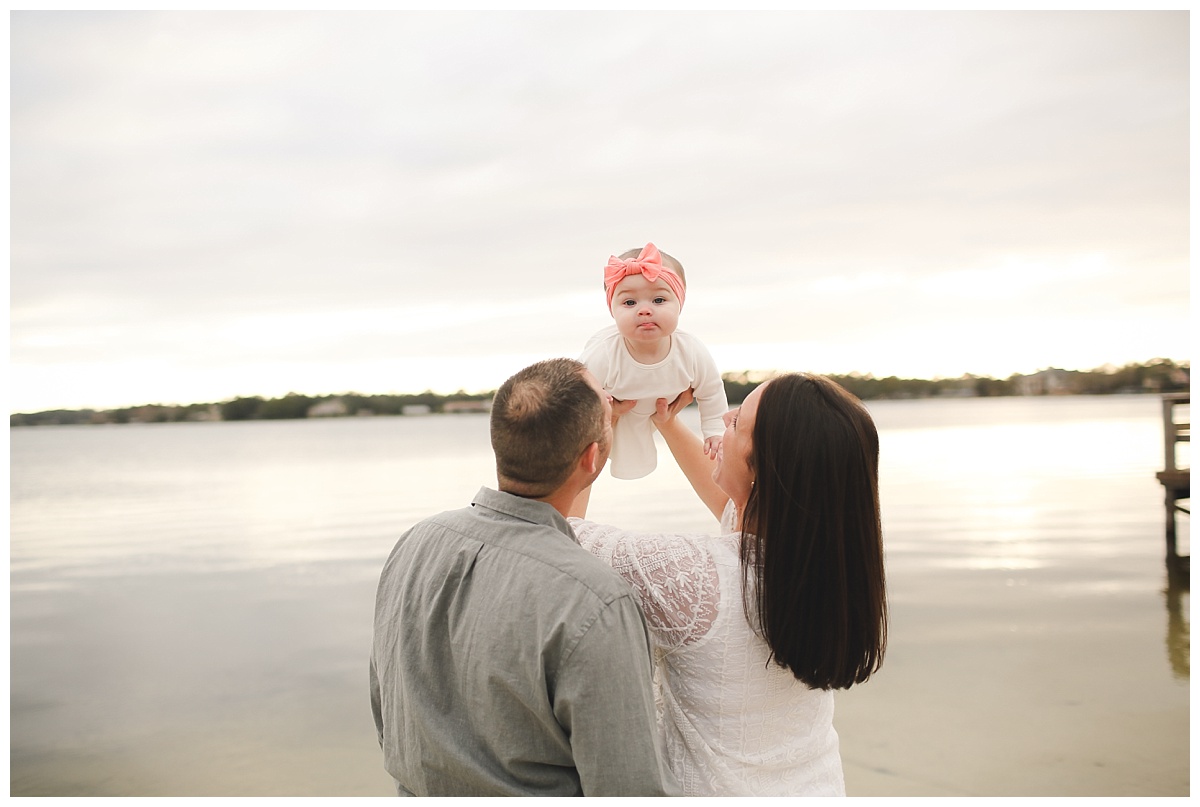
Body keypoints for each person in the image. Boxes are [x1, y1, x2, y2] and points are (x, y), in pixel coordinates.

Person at [568, 373, 888, 796]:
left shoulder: (696, 577)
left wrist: (594, 431)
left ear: (764, 466)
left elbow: (561, 532)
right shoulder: (824, 557)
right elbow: (733, 504)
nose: (725, 415)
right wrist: (663, 421)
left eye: (737, 422)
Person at [369, 358, 678, 797]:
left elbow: (387, 718)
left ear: (501, 442)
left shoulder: (413, 544)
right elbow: (627, 790)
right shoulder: (596, 601)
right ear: (592, 458)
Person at [579, 242, 727, 480]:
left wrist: (714, 431)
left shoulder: (691, 351)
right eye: (629, 303)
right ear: (612, 310)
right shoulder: (605, 353)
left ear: (680, 303)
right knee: (587, 458)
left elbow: (711, 392)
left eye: (658, 300)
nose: (644, 310)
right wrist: (600, 403)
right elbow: (579, 386)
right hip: (617, 411)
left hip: (662, 408)